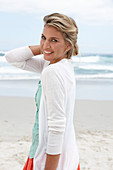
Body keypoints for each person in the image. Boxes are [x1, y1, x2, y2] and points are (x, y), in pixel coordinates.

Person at [5, 13, 80, 170]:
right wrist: (47, 48)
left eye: (54, 40)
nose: (46, 44)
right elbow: (12, 57)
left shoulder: (52, 72)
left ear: (68, 45)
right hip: (67, 154)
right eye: (43, 37)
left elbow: (57, 126)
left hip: (48, 158)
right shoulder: (59, 65)